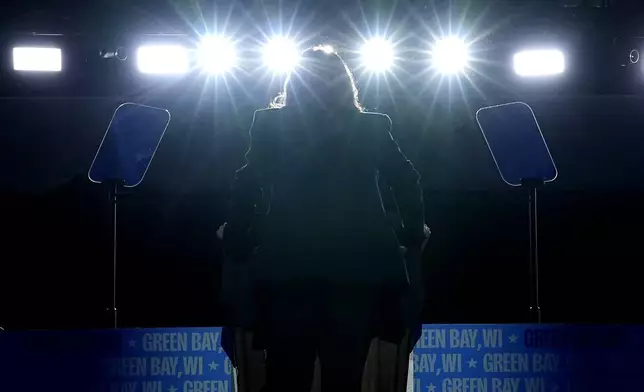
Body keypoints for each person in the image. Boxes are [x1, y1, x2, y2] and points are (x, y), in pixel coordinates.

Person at [222, 46, 427, 392]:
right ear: (347, 85)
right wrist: (411, 233)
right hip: (355, 273)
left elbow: (248, 182)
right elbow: (407, 180)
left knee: (286, 379)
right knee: (344, 379)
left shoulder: (271, 124)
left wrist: (236, 235)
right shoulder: (371, 127)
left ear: (295, 84)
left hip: (288, 271)